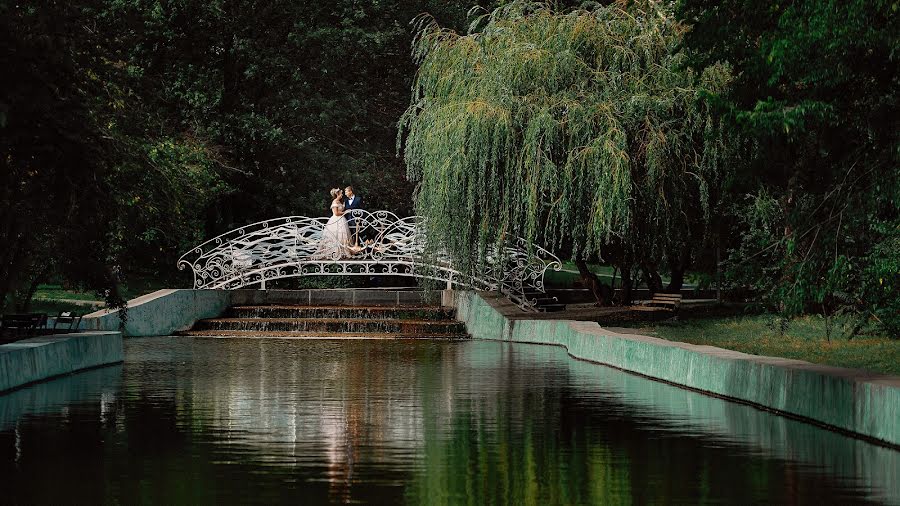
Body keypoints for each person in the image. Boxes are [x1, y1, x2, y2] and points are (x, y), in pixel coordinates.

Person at [314, 188, 354, 259]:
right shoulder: (335, 201)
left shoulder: (339, 201)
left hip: (342, 220)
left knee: (343, 236)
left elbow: (340, 209)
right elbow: (336, 213)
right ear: (337, 194)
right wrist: (345, 212)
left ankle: (343, 251)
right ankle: (334, 252)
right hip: (336, 220)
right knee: (335, 235)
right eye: (341, 193)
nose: (342, 194)